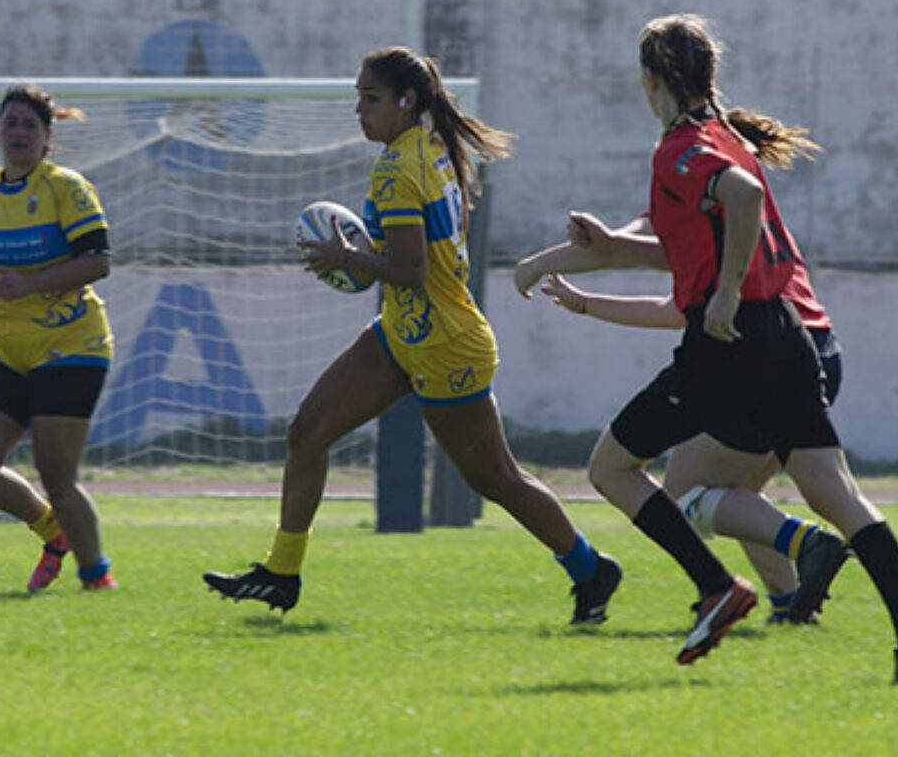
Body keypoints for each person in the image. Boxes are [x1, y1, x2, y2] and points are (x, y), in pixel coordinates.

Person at [545, 14, 898, 680]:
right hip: (791, 335)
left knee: (614, 469)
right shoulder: (728, 137)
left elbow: (742, 197)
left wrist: (727, 294)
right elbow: (708, 229)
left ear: (650, 80)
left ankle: (716, 586)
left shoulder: (680, 148)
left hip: (734, 342)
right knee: (836, 494)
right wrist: (609, 254)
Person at [202, 47, 622, 625]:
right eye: (359, 97)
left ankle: (591, 569)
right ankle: (281, 573)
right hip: (405, 330)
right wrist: (360, 258)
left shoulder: (399, 169)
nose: (359, 110)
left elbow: (410, 269)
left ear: (407, 101)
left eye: (370, 99)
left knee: (493, 478)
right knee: (307, 432)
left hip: (446, 344)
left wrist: (344, 256)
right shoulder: (427, 149)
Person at [516, 216, 848, 625]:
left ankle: (808, 545)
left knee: (684, 495)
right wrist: (584, 300)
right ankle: (791, 605)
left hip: (759, 356)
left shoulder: (697, 189)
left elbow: (619, 250)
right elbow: (657, 286)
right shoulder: (745, 210)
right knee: (736, 494)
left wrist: (535, 266)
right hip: (816, 351)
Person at [0, 83, 117, 593]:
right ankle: (53, 532)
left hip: (71, 345)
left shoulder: (66, 187)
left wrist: (32, 284)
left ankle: (97, 580)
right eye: (10, 123)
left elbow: (99, 261)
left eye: (29, 125)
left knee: (58, 477)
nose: (18, 132)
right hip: (10, 348)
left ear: (47, 138)